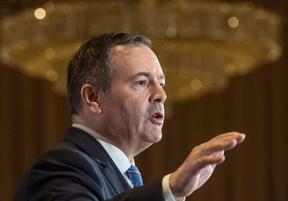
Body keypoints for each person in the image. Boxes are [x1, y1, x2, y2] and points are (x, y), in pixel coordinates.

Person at [14, 32, 245, 201]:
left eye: (161, 83)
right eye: (142, 82)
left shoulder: (119, 174)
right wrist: (169, 189)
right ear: (93, 97)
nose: (161, 95)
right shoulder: (61, 166)